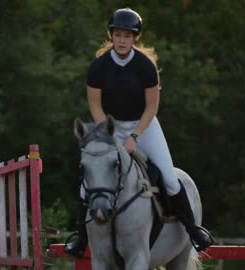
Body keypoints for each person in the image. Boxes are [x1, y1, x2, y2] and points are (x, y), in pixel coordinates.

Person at [64, 7, 214, 257]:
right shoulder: (98, 67)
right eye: (118, 35)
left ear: (135, 38)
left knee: (168, 176)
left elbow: (152, 107)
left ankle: (193, 230)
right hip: (109, 127)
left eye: (127, 35)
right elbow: (95, 106)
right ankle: (81, 239)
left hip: (144, 125)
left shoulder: (145, 66)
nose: (122, 40)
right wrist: (110, 135)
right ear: (111, 36)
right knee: (85, 186)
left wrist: (134, 137)